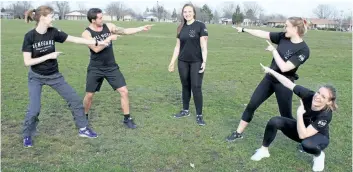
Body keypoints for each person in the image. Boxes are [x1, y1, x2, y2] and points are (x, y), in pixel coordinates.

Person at [22, 6, 109, 147]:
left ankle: (83, 129)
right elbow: (27, 62)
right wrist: (49, 56)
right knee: (34, 109)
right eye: (51, 16)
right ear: (43, 18)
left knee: (75, 100)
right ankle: (27, 135)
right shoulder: (30, 36)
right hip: (36, 77)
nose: (53, 18)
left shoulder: (53, 32)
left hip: (54, 75)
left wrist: (96, 42)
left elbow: (75, 39)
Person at [226, 17, 310, 141]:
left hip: (284, 82)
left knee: (286, 116)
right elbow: (263, 33)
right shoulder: (283, 37)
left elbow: (285, 67)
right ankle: (238, 133)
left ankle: (305, 139)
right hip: (269, 78)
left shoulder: (303, 50)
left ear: (296, 28)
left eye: (286, 26)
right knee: (252, 105)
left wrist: (273, 51)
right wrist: (244, 29)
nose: (284, 28)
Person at [250, 63, 337, 172]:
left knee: (306, 144)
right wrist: (271, 71)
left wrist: (300, 114)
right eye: (318, 92)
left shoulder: (325, 115)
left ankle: (319, 155)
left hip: (319, 137)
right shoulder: (309, 94)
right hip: (302, 129)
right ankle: (264, 150)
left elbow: (303, 135)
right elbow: (288, 83)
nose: (318, 96)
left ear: (328, 102)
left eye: (323, 96)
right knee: (275, 121)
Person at [82, 8, 153, 129]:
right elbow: (96, 49)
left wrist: (141, 28)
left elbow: (124, 31)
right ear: (93, 20)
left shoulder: (108, 26)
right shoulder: (86, 34)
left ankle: (127, 118)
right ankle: (84, 117)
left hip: (111, 67)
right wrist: (109, 38)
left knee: (124, 91)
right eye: (99, 18)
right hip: (95, 68)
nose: (102, 19)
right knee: (89, 95)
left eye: (102, 16)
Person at [168, 3, 208, 126]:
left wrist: (204, 61)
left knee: (196, 87)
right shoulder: (180, 27)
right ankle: (185, 110)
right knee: (185, 86)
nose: (187, 14)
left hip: (196, 61)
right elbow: (177, 46)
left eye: (189, 11)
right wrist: (172, 62)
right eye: (185, 12)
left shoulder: (200, 26)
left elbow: (204, 46)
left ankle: (199, 115)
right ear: (183, 13)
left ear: (194, 13)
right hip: (183, 61)